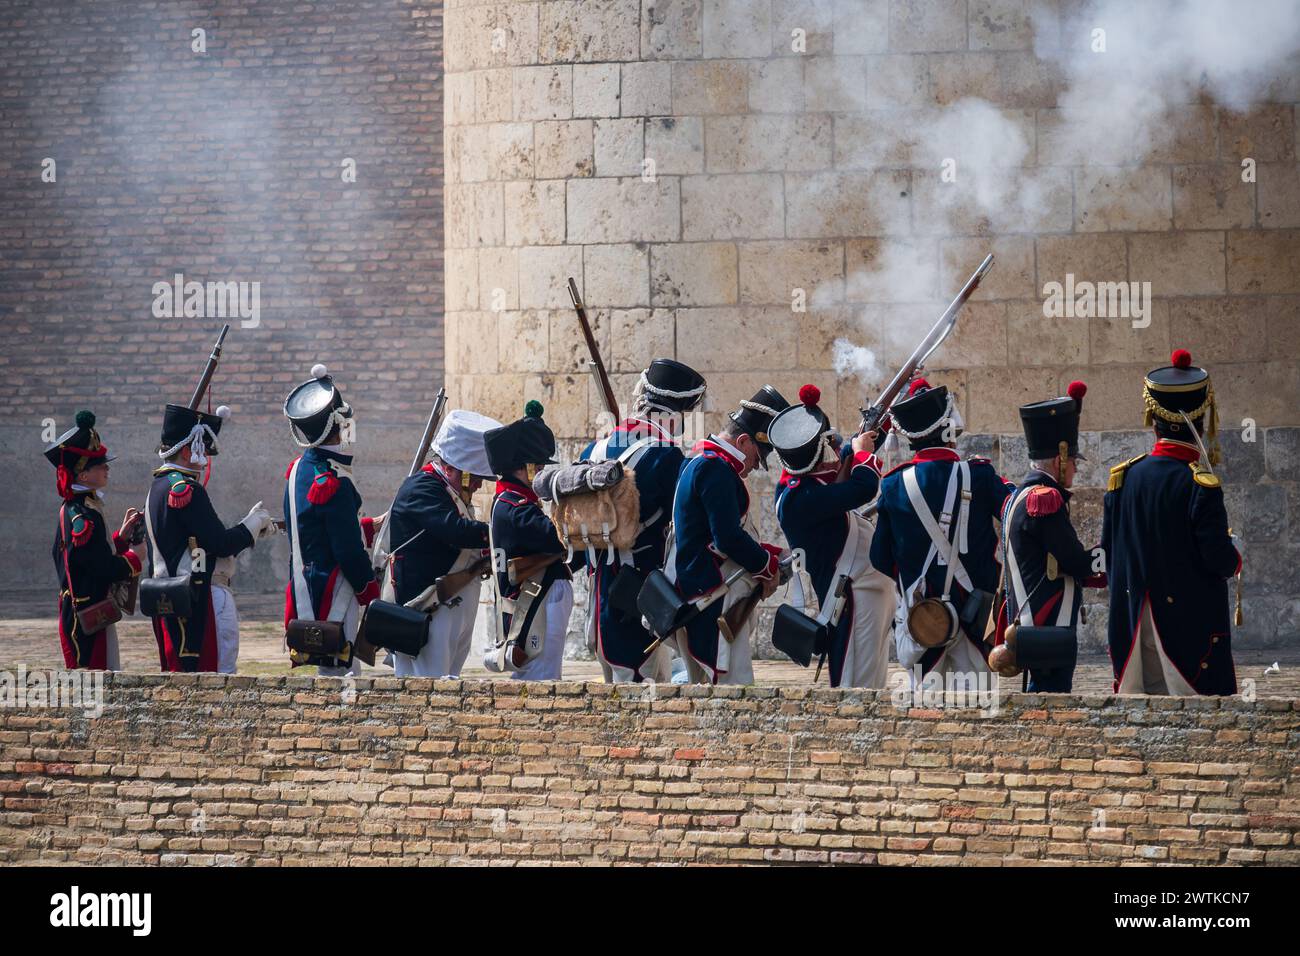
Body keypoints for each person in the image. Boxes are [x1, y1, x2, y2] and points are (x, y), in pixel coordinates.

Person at [1102, 349, 1240, 696]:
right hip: (1189, 634)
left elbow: (1109, 552)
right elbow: (1218, 560)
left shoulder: (1124, 478)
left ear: (1154, 416)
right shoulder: (1200, 485)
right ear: (1203, 415)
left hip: (1136, 627)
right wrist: (1235, 555)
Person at [869, 378, 1013, 685]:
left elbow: (880, 557)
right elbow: (1016, 514)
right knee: (979, 708)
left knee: (923, 710)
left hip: (922, 619)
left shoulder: (893, 485)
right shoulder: (980, 475)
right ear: (948, 427)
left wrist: (916, 579)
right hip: (976, 615)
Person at [579, 359, 707, 683]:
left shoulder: (594, 450)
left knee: (617, 681)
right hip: (638, 593)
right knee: (642, 687)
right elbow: (679, 526)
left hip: (600, 588)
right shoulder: (667, 456)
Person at [771, 385, 894, 688]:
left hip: (861, 593)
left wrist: (866, 438)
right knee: (858, 685)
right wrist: (862, 452)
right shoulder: (801, 499)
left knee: (871, 677)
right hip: (849, 597)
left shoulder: (804, 485)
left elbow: (844, 468)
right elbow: (862, 488)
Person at [670, 385, 789, 684]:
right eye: (756, 456)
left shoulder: (699, 461)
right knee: (731, 685)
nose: (753, 467)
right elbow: (726, 538)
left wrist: (768, 554)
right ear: (744, 440)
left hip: (699, 590)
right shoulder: (716, 468)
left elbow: (710, 537)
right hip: (713, 593)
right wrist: (766, 565)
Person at [995, 381, 1105, 692]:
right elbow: (1074, 560)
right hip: (1047, 620)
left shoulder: (1020, 495)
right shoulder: (1044, 500)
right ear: (1059, 460)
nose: (1075, 470)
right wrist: (1111, 555)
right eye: (1073, 462)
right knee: (1049, 698)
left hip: (1035, 621)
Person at [146, 402, 272, 672]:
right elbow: (219, 544)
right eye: (201, 449)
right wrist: (252, 523)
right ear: (188, 450)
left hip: (172, 593)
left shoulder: (159, 485)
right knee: (217, 671)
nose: (205, 457)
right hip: (200, 594)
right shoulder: (187, 489)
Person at [282, 364, 382, 676]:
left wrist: (364, 527)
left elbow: (312, 527)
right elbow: (347, 550)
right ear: (338, 425)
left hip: (306, 582)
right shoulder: (334, 481)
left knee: (331, 672)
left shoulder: (297, 469)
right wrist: (369, 589)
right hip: (336, 588)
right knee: (343, 674)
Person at [386, 409, 501, 678]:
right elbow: (456, 531)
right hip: (426, 606)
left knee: (449, 679)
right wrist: (500, 531)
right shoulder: (422, 488)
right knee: (429, 682)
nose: (475, 485)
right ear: (450, 467)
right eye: (470, 477)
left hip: (450, 602)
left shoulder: (447, 490)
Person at [46, 410, 143, 670]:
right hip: (86, 614)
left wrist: (118, 540)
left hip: (88, 609)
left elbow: (87, 555)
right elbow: (99, 567)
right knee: (94, 686)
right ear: (83, 475)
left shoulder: (79, 508)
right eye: (101, 465)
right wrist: (133, 560)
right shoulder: (83, 515)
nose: (107, 469)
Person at [484, 401, 573, 681]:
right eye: (538, 466)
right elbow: (558, 539)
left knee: (541, 674)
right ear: (523, 468)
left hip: (539, 599)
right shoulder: (515, 506)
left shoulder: (513, 502)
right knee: (541, 677)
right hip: (536, 602)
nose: (542, 471)